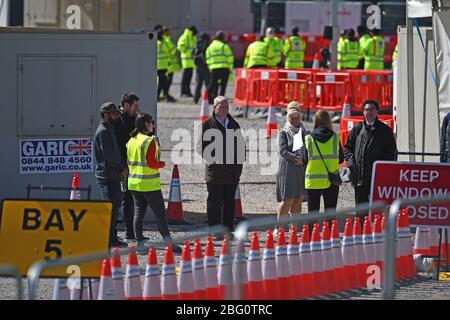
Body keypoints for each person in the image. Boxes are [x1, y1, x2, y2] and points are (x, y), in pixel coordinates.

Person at [126, 113, 181, 253]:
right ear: (145, 124)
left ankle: (139, 244)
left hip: (133, 182)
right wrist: (161, 164)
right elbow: (152, 163)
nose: (153, 125)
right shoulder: (149, 141)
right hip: (148, 184)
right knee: (160, 215)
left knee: (138, 212)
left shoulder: (131, 140)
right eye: (151, 122)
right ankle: (169, 244)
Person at [199, 96, 245, 237]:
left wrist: (238, 166)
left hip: (231, 172)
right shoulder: (207, 124)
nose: (224, 108)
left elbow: (240, 146)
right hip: (215, 172)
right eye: (221, 106)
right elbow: (200, 147)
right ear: (215, 108)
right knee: (214, 202)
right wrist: (214, 160)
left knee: (229, 203)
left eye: (226, 106)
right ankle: (214, 230)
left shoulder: (233, 123)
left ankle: (227, 230)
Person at [344, 100, 398, 207]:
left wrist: (381, 169)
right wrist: (352, 165)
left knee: (377, 209)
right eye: (367, 109)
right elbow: (348, 149)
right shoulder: (357, 129)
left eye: (373, 109)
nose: (370, 112)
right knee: (361, 210)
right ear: (363, 112)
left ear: (377, 112)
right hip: (359, 177)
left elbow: (391, 153)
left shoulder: (385, 130)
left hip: (376, 178)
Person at [94, 102, 128, 247]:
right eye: (114, 114)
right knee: (110, 209)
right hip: (108, 176)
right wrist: (121, 168)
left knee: (115, 208)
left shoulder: (109, 128)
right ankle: (107, 240)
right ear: (106, 115)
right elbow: (109, 156)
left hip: (113, 175)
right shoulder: (103, 131)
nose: (116, 116)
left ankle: (112, 237)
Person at [303, 110, 344, 214]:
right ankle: (330, 230)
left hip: (313, 180)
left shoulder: (308, 138)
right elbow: (341, 159)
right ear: (328, 121)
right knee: (330, 212)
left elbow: (304, 159)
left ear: (315, 121)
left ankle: (313, 230)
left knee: (312, 212)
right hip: (332, 179)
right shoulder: (335, 137)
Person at [276, 102, 308, 226]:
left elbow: (308, 149)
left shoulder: (305, 132)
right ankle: (279, 228)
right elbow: (283, 151)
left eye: (296, 118)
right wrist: (296, 158)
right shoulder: (283, 132)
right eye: (291, 118)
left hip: (300, 169)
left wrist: (303, 159)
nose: (294, 120)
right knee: (287, 199)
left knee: (298, 199)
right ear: (287, 117)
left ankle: (294, 228)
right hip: (287, 169)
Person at [113, 92, 140, 242]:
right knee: (119, 200)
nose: (137, 109)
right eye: (135, 106)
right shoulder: (117, 120)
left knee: (130, 199)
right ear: (126, 105)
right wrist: (121, 166)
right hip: (121, 166)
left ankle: (130, 232)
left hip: (132, 165)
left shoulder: (134, 118)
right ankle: (114, 234)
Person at [206, 31, 234, 104]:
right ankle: (221, 100)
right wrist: (230, 68)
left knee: (213, 84)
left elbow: (207, 58)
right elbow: (230, 58)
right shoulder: (224, 46)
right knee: (223, 85)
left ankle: (211, 98)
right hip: (224, 68)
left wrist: (210, 67)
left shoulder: (210, 47)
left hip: (214, 68)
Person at [177, 25, 198, 98]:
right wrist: (189, 52)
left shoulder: (193, 37)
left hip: (191, 60)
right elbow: (180, 46)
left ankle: (188, 92)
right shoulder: (185, 36)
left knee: (189, 77)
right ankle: (183, 92)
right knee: (185, 77)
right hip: (186, 60)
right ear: (192, 31)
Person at [157, 29, 176, 102]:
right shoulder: (162, 43)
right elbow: (171, 51)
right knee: (164, 81)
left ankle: (161, 96)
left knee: (162, 81)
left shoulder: (156, 43)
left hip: (159, 65)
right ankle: (165, 95)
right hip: (163, 65)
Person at [163, 26, 181, 101]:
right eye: (169, 31)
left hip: (168, 64)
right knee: (167, 81)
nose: (170, 32)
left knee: (166, 81)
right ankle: (166, 95)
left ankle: (165, 94)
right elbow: (172, 50)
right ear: (165, 32)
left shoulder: (165, 40)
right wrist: (174, 48)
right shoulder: (166, 40)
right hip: (168, 64)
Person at [193, 32, 211, 104]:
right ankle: (208, 98)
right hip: (205, 66)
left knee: (198, 83)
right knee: (207, 83)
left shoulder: (196, 44)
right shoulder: (207, 44)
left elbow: (192, 54)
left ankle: (196, 98)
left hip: (198, 66)